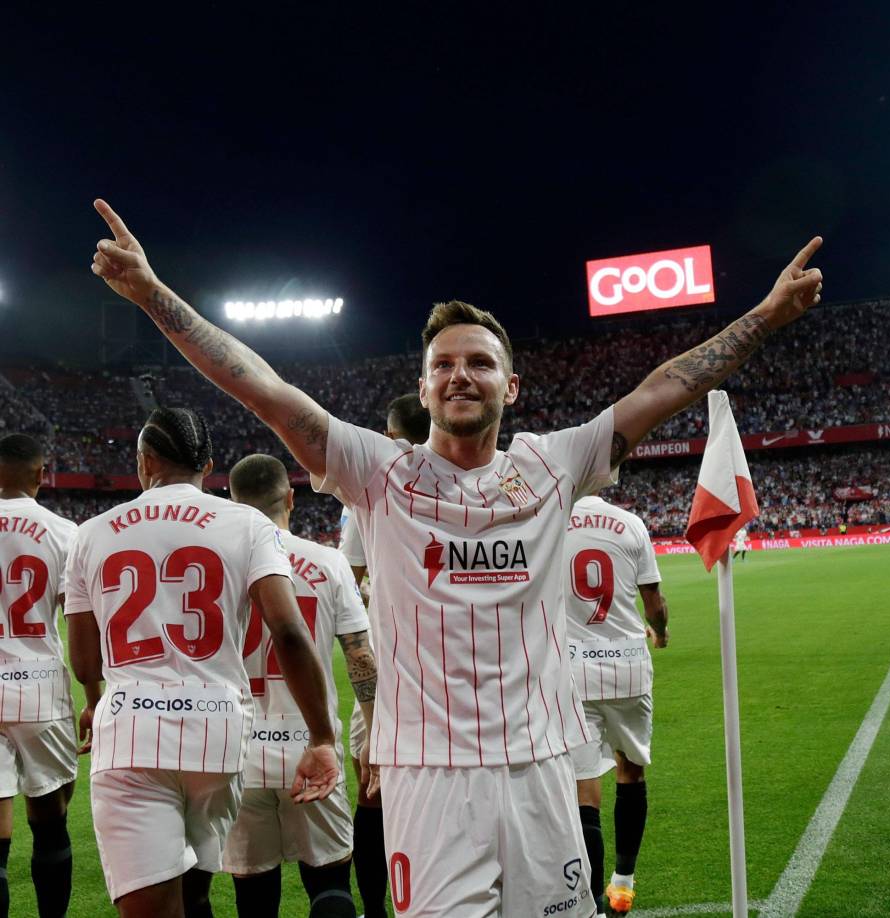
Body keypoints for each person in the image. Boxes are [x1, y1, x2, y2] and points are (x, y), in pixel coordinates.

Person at [90, 198, 823, 916]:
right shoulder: (379, 473)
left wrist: (765, 315)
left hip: (540, 765)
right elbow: (263, 389)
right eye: (442, 364)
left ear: (512, 385)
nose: (460, 375)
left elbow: (665, 387)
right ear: (422, 386)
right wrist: (153, 294)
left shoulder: (554, 464)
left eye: (479, 362)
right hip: (428, 777)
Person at [63, 407, 339, 918]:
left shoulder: (91, 532)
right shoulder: (248, 523)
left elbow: (84, 658)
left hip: (132, 732)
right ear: (208, 465)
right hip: (221, 733)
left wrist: (93, 700)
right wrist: (321, 736)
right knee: (192, 891)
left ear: (144, 461)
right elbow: (289, 632)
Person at [223, 453, 377, 918]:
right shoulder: (327, 562)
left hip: (238, 749)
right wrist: (374, 734)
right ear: (290, 498)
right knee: (330, 882)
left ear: (232, 502)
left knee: (253, 893)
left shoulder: (220, 565)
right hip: (312, 744)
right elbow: (359, 657)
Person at [336, 393, 429, 918]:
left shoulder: (368, 495)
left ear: (390, 435)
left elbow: (350, 595)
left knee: (372, 797)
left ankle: (376, 911)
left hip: (390, 674)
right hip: (461, 675)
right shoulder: (472, 477)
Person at [0, 434, 98, 918]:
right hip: (39, 687)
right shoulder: (65, 531)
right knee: (50, 818)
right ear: (41, 474)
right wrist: (95, 695)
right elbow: (80, 622)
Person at [563, 494, 668, 914]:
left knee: (584, 786)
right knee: (631, 771)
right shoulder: (631, 523)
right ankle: (622, 888)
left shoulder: (552, 519)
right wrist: (659, 632)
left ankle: (587, 903)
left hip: (573, 671)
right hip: (628, 665)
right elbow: (654, 602)